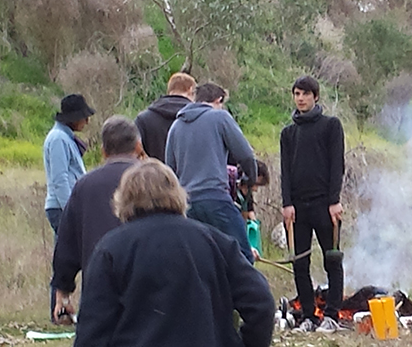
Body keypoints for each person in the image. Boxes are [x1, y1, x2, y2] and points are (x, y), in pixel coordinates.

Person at [73, 159, 275, 347]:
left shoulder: (110, 250)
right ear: (178, 194)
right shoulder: (216, 242)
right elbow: (261, 303)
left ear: (123, 200)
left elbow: (92, 330)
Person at [50, 116, 144, 324]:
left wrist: (63, 291)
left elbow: (67, 244)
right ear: (138, 146)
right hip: (147, 281)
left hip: (99, 282)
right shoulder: (153, 180)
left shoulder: (85, 185)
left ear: (103, 151)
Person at [281, 76, 345, 333]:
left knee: (332, 260)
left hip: (324, 204)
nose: (301, 98)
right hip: (298, 208)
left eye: (306, 94)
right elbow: (285, 170)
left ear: (316, 97)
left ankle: (331, 316)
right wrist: (286, 204)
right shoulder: (288, 132)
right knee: (300, 264)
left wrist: (334, 201)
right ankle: (309, 316)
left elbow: (336, 165)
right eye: (297, 93)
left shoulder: (331, 126)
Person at [165, 82, 257, 263]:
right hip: (215, 198)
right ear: (218, 100)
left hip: (187, 204)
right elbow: (245, 155)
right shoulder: (219, 117)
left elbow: (170, 170)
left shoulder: (176, 126)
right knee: (242, 255)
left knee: (201, 259)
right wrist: (250, 178)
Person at [43, 93, 95, 321]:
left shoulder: (65, 138)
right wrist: (71, 210)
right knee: (64, 257)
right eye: (83, 117)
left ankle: (64, 310)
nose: (86, 121)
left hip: (69, 206)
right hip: (62, 208)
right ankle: (59, 311)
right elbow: (60, 179)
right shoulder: (57, 140)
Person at [134, 72, 196, 161]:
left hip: (153, 173)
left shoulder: (144, 119)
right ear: (190, 90)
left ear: (169, 90)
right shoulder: (199, 118)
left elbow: (134, 150)